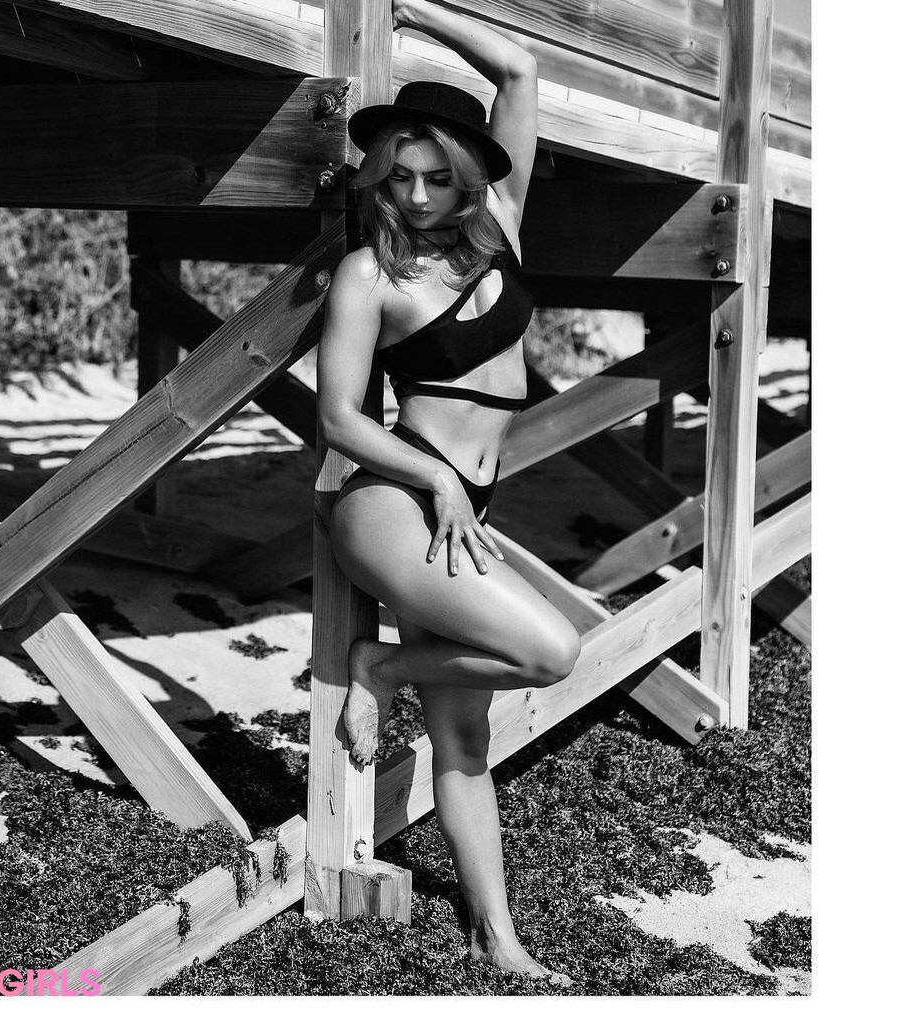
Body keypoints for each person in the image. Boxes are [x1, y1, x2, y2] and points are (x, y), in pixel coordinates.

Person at [316, 0, 580, 986]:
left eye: (436, 176)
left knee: (465, 735)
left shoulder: (501, 223)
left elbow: (518, 71)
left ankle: (495, 938)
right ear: (380, 178)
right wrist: (432, 475)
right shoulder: (368, 274)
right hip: (391, 500)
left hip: (468, 504)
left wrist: (414, 8)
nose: (419, 195)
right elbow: (339, 419)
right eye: (400, 176)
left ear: (467, 175)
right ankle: (379, 668)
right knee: (552, 650)